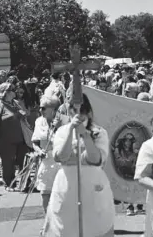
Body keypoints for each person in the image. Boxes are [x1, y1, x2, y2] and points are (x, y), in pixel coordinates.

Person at [42, 94, 115, 237]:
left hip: (93, 185)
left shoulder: (99, 132)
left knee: (94, 225)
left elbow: (95, 160)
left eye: (82, 111)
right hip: (67, 185)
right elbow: (61, 157)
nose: (77, 115)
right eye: (73, 111)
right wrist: (70, 131)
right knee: (66, 226)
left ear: (88, 112)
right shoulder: (62, 132)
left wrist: (85, 136)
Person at [0, 82, 31, 191]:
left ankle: (25, 183)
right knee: (8, 163)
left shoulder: (16, 103)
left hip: (21, 137)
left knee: (24, 160)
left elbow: (25, 113)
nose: (15, 92)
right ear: (6, 92)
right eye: (12, 90)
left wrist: (23, 114)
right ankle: (9, 184)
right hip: (6, 139)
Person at [31, 95, 62, 213]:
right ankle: (47, 221)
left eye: (43, 108)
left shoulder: (65, 120)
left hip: (61, 162)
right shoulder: (39, 121)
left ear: (53, 109)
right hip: (46, 162)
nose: (40, 110)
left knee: (61, 195)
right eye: (40, 108)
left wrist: (59, 128)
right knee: (45, 194)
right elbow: (35, 142)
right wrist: (39, 151)